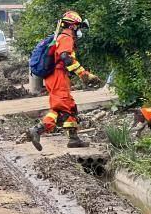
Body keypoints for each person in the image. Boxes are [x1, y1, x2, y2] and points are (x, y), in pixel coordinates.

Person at [26, 11, 101, 150]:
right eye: (78, 27)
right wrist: (84, 74)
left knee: (70, 107)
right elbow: (66, 57)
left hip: (58, 77)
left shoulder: (63, 37)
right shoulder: (66, 37)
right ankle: (37, 130)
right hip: (58, 76)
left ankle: (73, 139)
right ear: (73, 26)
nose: (79, 30)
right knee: (61, 109)